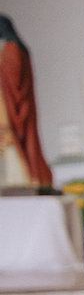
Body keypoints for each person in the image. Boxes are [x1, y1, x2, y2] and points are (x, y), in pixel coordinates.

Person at [0, 14, 54, 187]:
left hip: (13, 108)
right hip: (20, 106)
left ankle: (22, 180)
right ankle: (27, 179)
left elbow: (13, 80)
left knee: (19, 145)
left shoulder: (11, 49)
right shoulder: (18, 48)